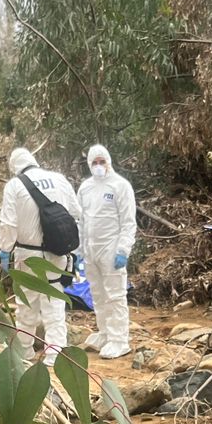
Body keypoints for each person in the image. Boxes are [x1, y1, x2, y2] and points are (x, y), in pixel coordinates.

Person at [0, 147, 81, 364]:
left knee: (26, 301)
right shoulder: (59, 179)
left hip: (28, 254)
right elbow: (76, 214)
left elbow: (8, 224)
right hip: (58, 252)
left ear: (14, 166)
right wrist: (75, 250)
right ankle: (55, 353)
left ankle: (24, 351)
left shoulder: (15, 186)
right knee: (54, 300)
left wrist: (5, 251)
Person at [77, 144, 138, 359]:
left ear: (109, 161)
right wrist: (79, 250)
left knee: (115, 295)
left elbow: (129, 222)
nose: (99, 165)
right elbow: (81, 221)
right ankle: (104, 333)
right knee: (97, 294)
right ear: (89, 164)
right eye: (94, 162)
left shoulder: (120, 186)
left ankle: (119, 340)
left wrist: (123, 249)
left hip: (111, 249)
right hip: (91, 250)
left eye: (102, 161)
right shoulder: (85, 188)